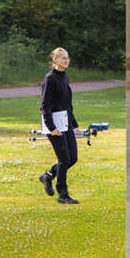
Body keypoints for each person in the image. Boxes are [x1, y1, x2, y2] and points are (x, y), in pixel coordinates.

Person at [38, 47, 81, 204]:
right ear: (54, 60)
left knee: (72, 158)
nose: (66, 60)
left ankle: (48, 176)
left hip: (66, 123)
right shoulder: (50, 79)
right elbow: (45, 105)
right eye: (62, 58)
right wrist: (51, 127)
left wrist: (74, 123)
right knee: (64, 158)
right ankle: (63, 194)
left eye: (67, 57)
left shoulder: (65, 77)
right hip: (55, 125)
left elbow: (67, 104)